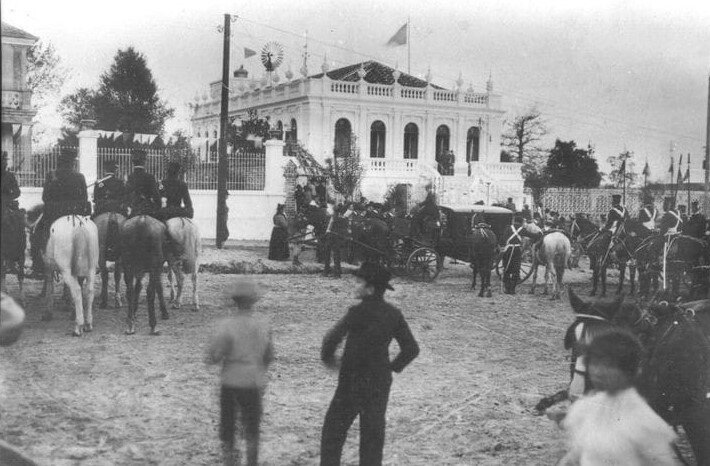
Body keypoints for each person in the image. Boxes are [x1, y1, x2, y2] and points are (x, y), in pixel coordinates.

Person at [320, 262, 419, 466]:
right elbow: (411, 349)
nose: (355, 285)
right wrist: (392, 366)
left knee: (333, 432)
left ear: (370, 288)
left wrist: (330, 359)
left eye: (358, 282)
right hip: (379, 381)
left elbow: (330, 340)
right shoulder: (393, 314)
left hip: (352, 380)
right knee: (373, 436)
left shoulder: (356, 313)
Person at [557, 330, 680, 466]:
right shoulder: (586, 407)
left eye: (608, 366)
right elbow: (579, 453)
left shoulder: (645, 423)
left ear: (628, 370)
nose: (598, 372)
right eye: (594, 363)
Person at [206, 278, 274, 466]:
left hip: (231, 380)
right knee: (252, 429)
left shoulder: (226, 325)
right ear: (253, 302)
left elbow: (214, 357)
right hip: (253, 380)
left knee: (228, 430)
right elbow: (268, 357)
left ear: (235, 301)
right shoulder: (263, 324)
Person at [31, 148, 91, 278]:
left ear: (60, 161)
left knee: (36, 233)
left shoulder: (51, 175)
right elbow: (84, 199)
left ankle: (37, 267)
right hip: (74, 215)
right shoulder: (79, 176)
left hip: (53, 214)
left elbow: (45, 198)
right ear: (73, 162)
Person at [125, 149, 161, 218]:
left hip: (134, 208)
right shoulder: (150, 177)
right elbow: (156, 196)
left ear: (133, 162)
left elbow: (126, 194)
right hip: (148, 208)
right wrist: (158, 207)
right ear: (144, 162)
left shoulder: (130, 177)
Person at [323, 203, 350, 278]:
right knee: (337, 255)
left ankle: (327, 271)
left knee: (328, 254)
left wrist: (327, 233)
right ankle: (337, 272)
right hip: (338, 238)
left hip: (332, 237)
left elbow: (329, 227)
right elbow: (346, 229)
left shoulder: (333, 217)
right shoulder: (344, 218)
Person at [502, 216, 524, 294]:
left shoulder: (508, 228)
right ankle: (512, 289)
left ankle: (507, 288)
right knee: (516, 270)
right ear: (521, 222)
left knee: (506, 268)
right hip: (517, 251)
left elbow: (504, 238)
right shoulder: (522, 229)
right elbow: (532, 235)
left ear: (514, 221)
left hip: (508, 250)